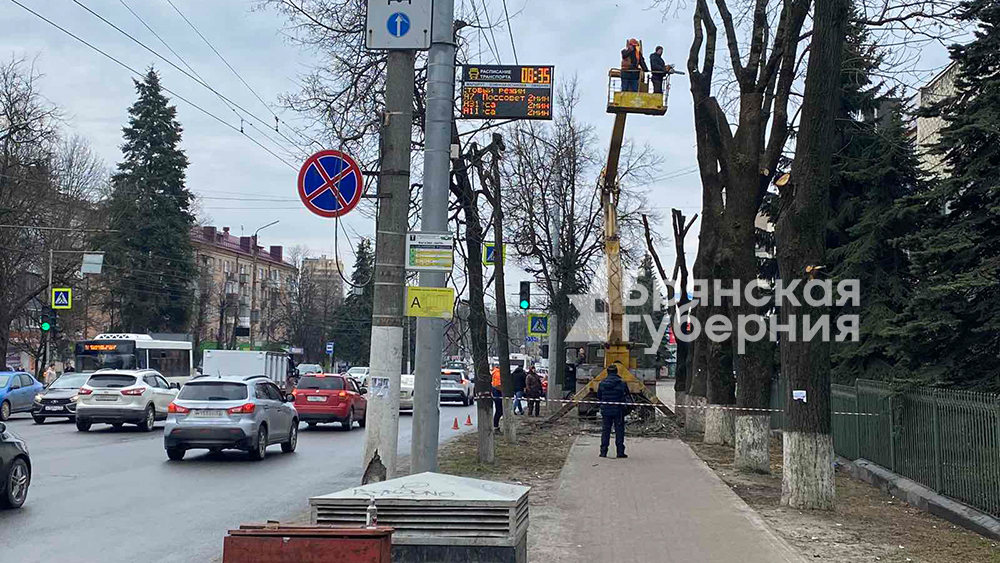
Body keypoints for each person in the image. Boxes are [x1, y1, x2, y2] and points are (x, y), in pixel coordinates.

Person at [596, 363, 628, 459]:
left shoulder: (602, 383)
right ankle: (620, 452)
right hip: (618, 410)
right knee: (619, 431)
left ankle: (603, 452)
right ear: (616, 372)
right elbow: (626, 394)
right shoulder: (622, 383)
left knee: (605, 430)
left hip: (606, 410)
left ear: (607, 373)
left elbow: (599, 396)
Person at [491, 365, 503, 429]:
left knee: (499, 410)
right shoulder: (498, 374)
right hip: (497, 393)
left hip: (496, 393)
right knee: (499, 410)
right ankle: (495, 425)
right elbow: (498, 385)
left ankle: (495, 424)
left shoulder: (495, 372)